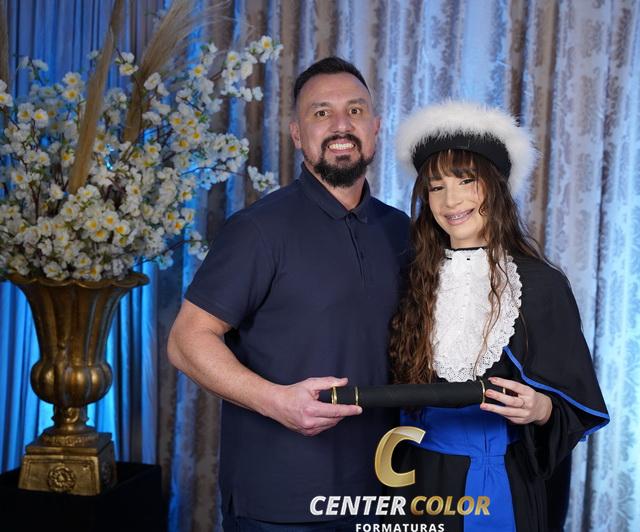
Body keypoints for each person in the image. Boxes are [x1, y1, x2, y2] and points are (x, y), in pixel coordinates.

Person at [167, 57, 410, 531]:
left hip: (384, 493)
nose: (341, 125)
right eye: (321, 113)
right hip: (280, 502)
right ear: (297, 134)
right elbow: (186, 340)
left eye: (355, 110)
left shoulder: (402, 230)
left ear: (376, 127)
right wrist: (276, 400)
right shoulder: (258, 230)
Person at [387, 101, 609, 531]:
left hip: (499, 483)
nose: (451, 200)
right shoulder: (410, 278)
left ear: (495, 187)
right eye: (436, 186)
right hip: (415, 478)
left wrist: (542, 408)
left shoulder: (540, 285)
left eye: (466, 181)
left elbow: (575, 404)